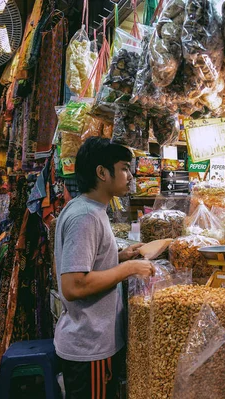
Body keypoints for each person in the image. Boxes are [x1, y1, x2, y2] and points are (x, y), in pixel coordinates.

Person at [54, 137, 155, 399]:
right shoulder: (84, 216)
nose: (130, 175)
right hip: (90, 345)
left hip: (93, 341)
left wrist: (119, 257)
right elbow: (74, 285)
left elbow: (88, 263)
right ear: (102, 172)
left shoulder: (89, 209)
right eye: (123, 167)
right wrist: (130, 267)